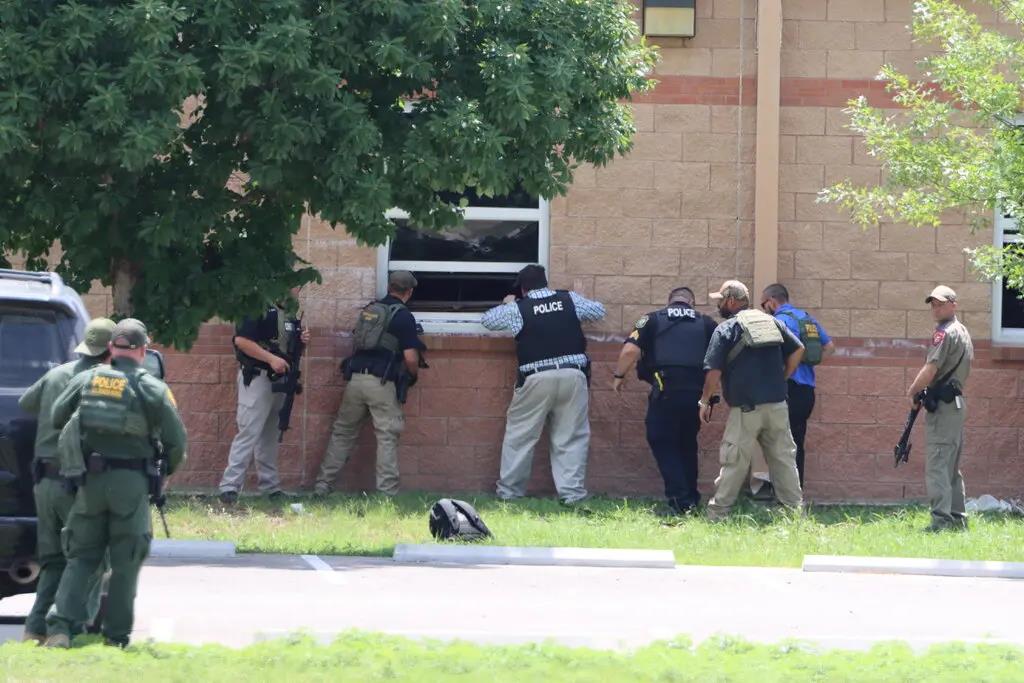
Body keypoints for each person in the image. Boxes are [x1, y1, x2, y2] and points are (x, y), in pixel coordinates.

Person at [44, 319, 187, 648]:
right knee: (126, 562)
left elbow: (55, 416)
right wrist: (164, 473)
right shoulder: (153, 389)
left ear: (111, 348)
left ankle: (60, 629)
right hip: (132, 485)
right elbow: (176, 443)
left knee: (82, 557)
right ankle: (115, 637)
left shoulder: (89, 378)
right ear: (142, 350)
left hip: (89, 483)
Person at [17, 318, 115, 643]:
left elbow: (25, 403)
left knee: (52, 561)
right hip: (78, 482)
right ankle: (66, 630)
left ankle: (34, 629)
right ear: (110, 349)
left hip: (43, 482)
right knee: (88, 557)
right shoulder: (102, 381)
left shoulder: (57, 373)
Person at [482, 264, 606, 504]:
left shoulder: (518, 307)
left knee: (520, 437)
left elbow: (488, 320)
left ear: (523, 289)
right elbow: (599, 311)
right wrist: (580, 296)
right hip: (573, 376)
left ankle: (509, 494)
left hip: (536, 377)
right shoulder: (569, 299)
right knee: (571, 437)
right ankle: (572, 496)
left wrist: (508, 303)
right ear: (545, 282)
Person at [698, 280, 805, 520]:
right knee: (784, 460)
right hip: (778, 405)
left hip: (746, 409)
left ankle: (718, 514)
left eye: (721, 300)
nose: (719, 305)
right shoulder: (772, 322)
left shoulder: (726, 329)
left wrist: (704, 401)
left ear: (732, 301)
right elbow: (798, 350)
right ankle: (794, 514)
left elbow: (713, 371)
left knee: (734, 460)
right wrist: (783, 378)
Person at [314, 271, 425, 496]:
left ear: (390, 286)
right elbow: (411, 358)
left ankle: (322, 486)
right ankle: (387, 493)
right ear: (409, 291)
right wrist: (412, 376)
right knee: (387, 436)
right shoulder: (403, 316)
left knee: (343, 433)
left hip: (355, 379)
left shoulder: (371, 310)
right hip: (381, 382)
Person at [612, 286, 717, 514]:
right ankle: (690, 498)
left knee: (662, 441)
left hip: (665, 392)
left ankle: (680, 501)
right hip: (696, 396)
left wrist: (619, 376)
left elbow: (630, 352)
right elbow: (718, 361)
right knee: (687, 444)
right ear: (692, 303)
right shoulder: (707, 323)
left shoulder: (649, 319)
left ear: (669, 301)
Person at [218, 291, 309, 504]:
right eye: (293, 286)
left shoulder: (289, 313)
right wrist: (270, 359)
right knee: (248, 431)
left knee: (270, 435)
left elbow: (290, 348)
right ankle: (229, 487)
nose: (296, 291)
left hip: (281, 379)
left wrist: (301, 340)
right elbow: (241, 340)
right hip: (258, 376)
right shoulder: (256, 306)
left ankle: (270, 487)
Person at [907, 285, 974, 532]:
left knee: (937, 464)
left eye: (941, 303)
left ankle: (941, 522)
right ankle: (958, 519)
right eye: (933, 304)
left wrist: (913, 390)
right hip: (956, 404)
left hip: (945, 408)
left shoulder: (944, 333)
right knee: (951, 467)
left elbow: (931, 368)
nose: (936, 308)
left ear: (953, 304)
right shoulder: (963, 331)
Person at [760, 283, 835, 486]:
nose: (762, 308)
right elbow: (829, 347)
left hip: (788, 389)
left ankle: (785, 495)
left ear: (772, 302)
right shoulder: (807, 319)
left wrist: (785, 374)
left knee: (780, 445)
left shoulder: (779, 321)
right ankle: (796, 492)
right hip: (806, 390)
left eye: (763, 303)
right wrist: (810, 365)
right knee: (796, 443)